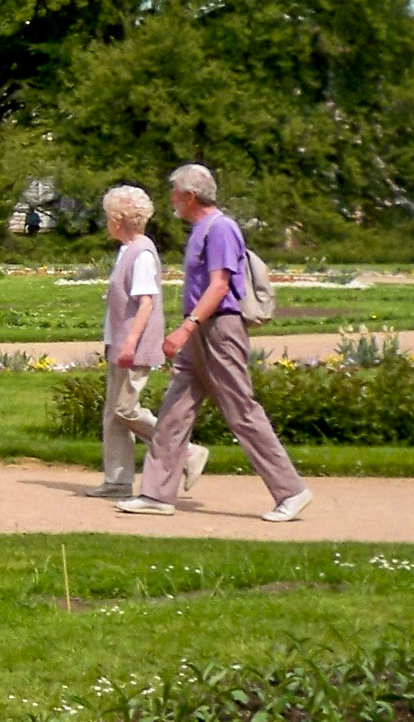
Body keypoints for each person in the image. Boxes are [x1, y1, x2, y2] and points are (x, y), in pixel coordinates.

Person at [120, 164, 311, 522]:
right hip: (201, 332)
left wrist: (185, 328)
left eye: (175, 193)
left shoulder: (221, 228)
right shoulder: (200, 229)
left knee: (241, 410)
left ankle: (291, 491)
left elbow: (220, 286)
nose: (172, 200)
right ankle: (157, 494)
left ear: (191, 196)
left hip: (220, 330)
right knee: (175, 410)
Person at [86, 185, 167, 497]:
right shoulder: (127, 251)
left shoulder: (142, 253)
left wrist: (130, 344)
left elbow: (146, 302)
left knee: (126, 409)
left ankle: (183, 451)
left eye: (109, 216)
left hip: (133, 347)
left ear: (119, 219)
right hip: (119, 345)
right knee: (113, 415)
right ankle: (117, 481)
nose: (106, 222)